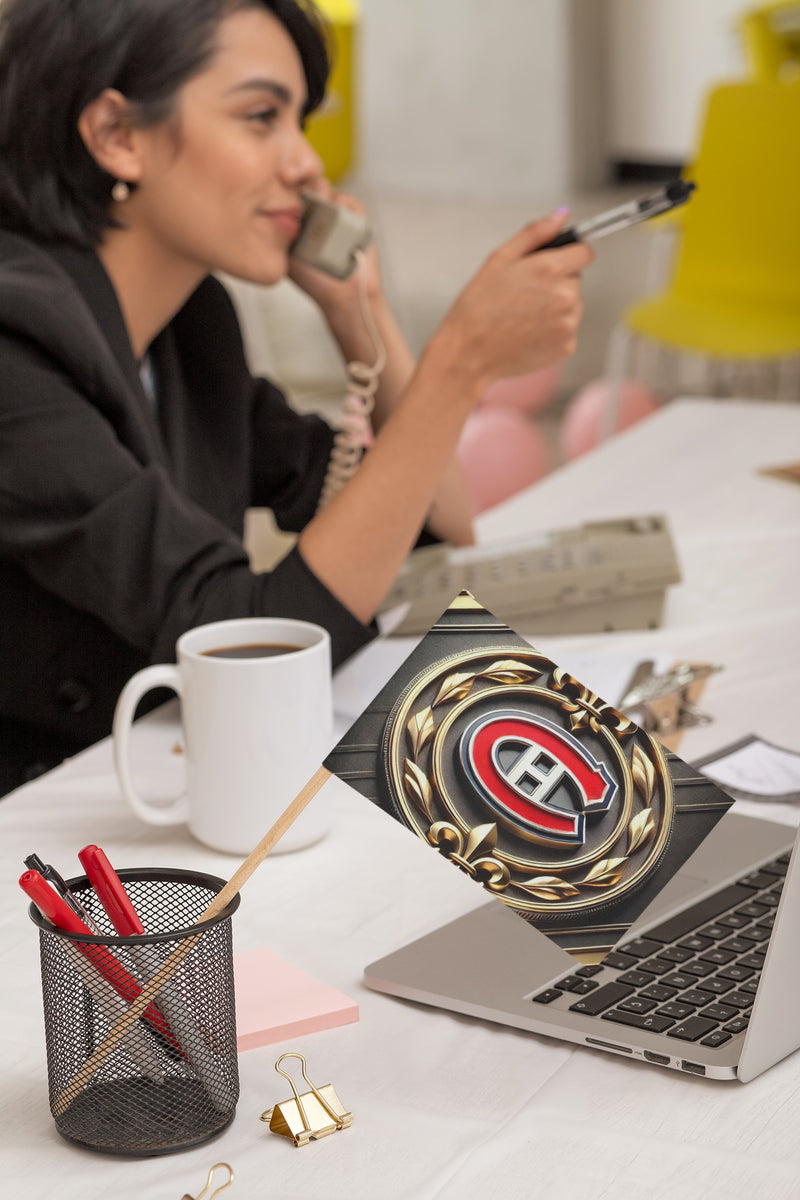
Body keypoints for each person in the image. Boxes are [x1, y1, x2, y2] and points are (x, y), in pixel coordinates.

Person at [0, 0, 593, 793]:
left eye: (300, 121)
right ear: (117, 136)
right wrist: (460, 365)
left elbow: (434, 533)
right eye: (260, 117)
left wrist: (362, 313)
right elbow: (243, 637)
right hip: (50, 835)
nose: (307, 165)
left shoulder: (192, 323)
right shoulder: (16, 345)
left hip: (165, 777)